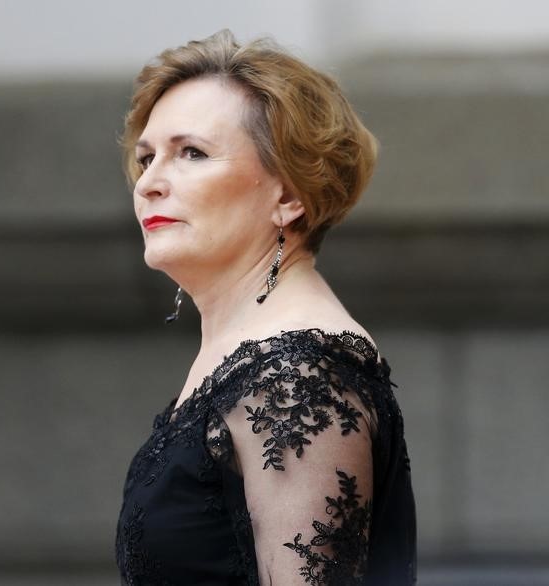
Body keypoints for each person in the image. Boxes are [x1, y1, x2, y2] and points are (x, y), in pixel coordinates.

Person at [114, 29, 416, 586]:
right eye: (146, 157)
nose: (149, 183)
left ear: (288, 195)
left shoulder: (298, 373)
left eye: (192, 153)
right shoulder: (250, 355)